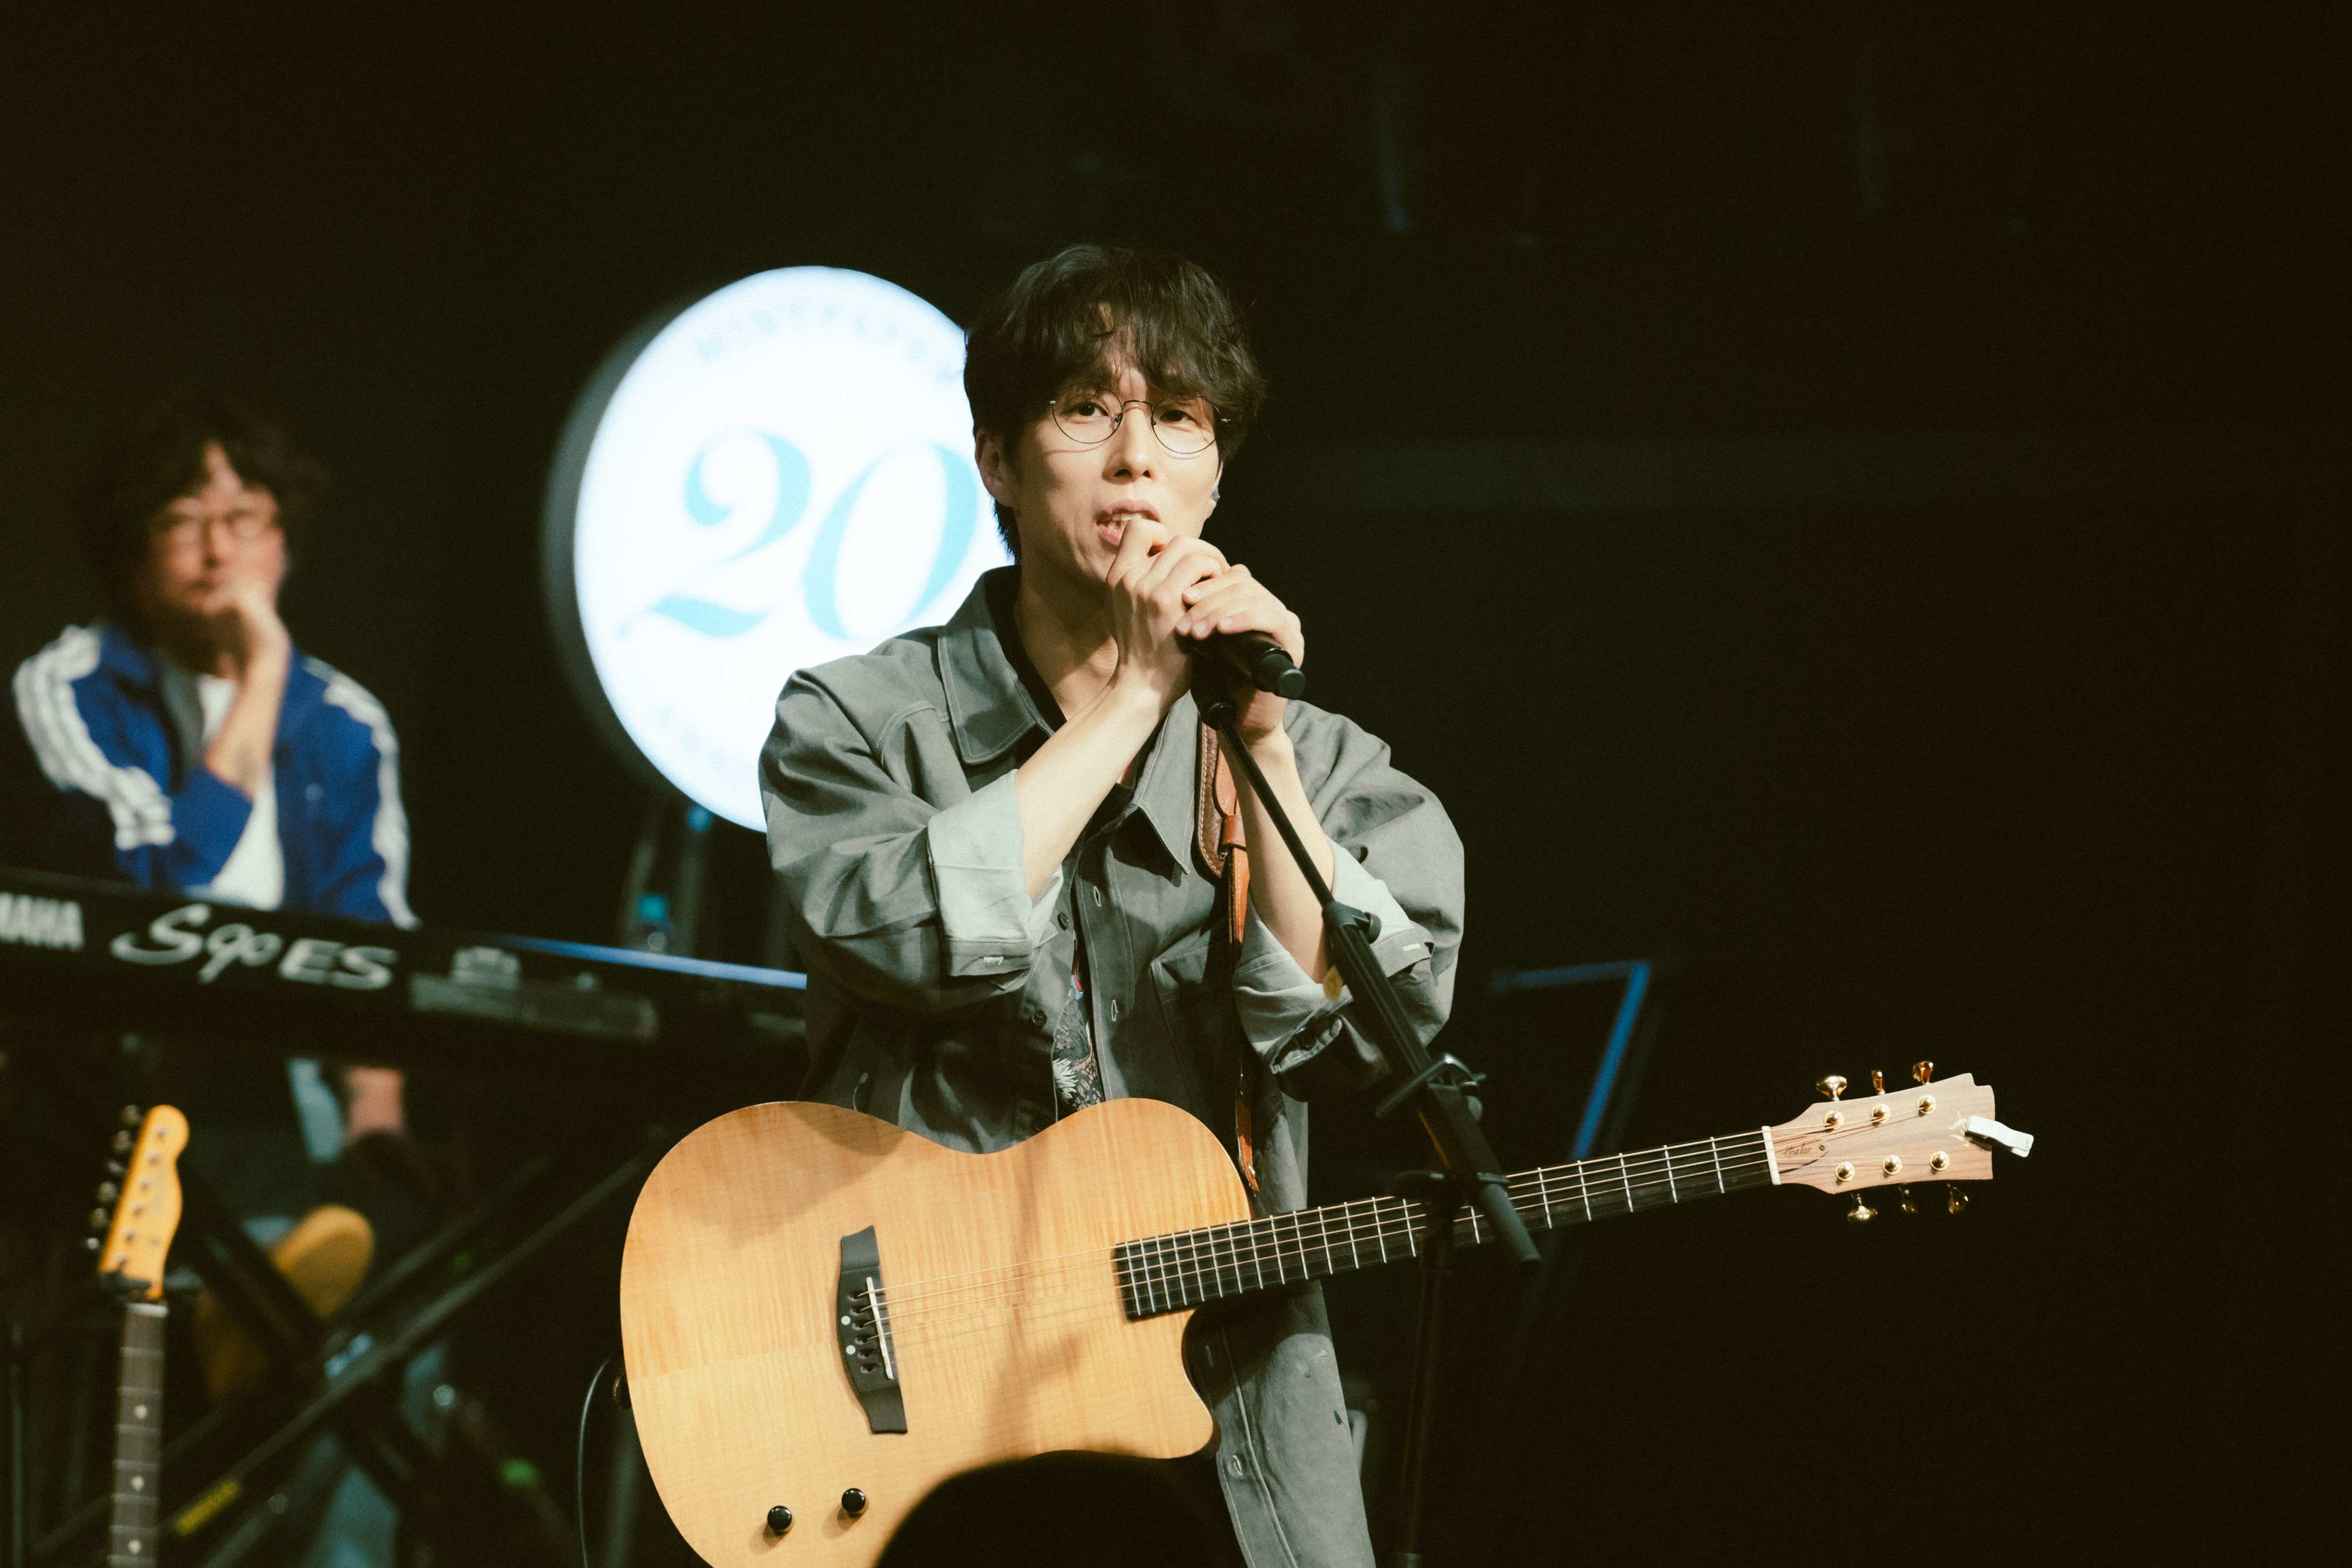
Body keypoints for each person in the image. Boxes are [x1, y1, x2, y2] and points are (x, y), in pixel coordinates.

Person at [760, 244, 1464, 1567]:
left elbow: (1366, 1041)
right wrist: (1136, 694)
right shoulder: (857, 720)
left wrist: (1260, 747)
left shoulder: (1328, 767)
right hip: (921, 1410)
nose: (1137, 458)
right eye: (1087, 408)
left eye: (1180, 418)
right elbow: (901, 942)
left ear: (1216, 475)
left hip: (1230, 1414)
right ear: (996, 460)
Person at [1, 396, 426, 1567]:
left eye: (246, 518)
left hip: (281, 1103)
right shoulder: (68, 687)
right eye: (183, 520)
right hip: (104, 1095)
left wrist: (376, 1112)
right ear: (131, 550)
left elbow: (373, 943)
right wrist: (261, 675)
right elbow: (155, 890)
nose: (219, 548)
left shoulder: (345, 724)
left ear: (284, 538)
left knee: (406, 1294)